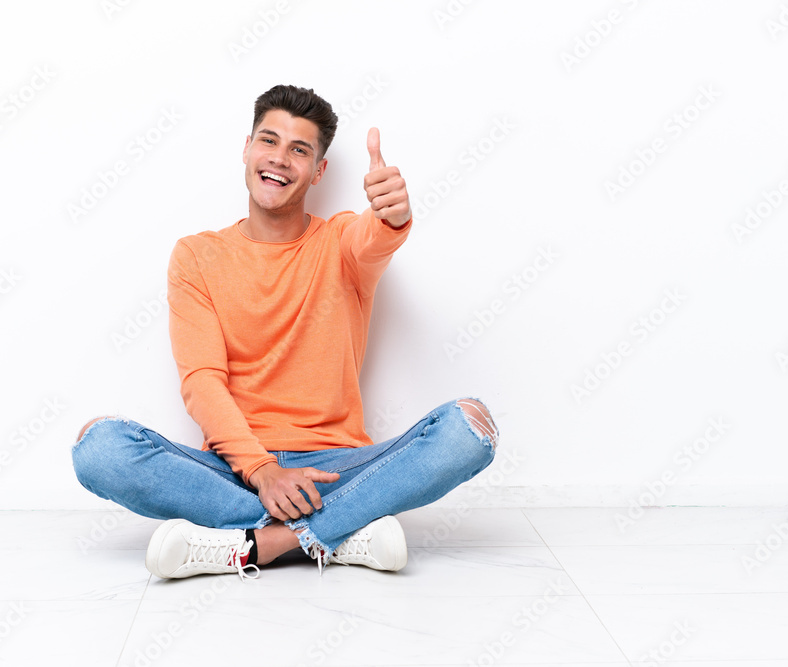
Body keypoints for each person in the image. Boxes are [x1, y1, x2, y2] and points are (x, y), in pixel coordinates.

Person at [72, 84, 499, 581]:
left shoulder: (341, 241)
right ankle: (342, 533)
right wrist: (262, 470)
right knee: (98, 447)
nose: (280, 159)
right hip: (234, 470)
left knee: (471, 427)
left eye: (300, 150)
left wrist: (394, 214)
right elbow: (201, 382)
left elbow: (375, 235)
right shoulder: (196, 255)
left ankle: (263, 543)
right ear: (247, 147)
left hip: (337, 470)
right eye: (269, 141)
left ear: (319, 171)